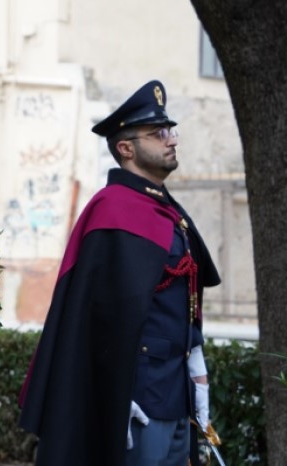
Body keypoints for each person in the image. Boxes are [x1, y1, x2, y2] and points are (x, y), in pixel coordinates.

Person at [18, 80, 221, 466]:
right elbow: (97, 320)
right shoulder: (112, 209)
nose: (172, 140)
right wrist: (111, 397)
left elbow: (182, 300)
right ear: (126, 148)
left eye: (170, 131)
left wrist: (197, 370)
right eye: (158, 133)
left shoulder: (168, 211)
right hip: (137, 402)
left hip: (176, 397)